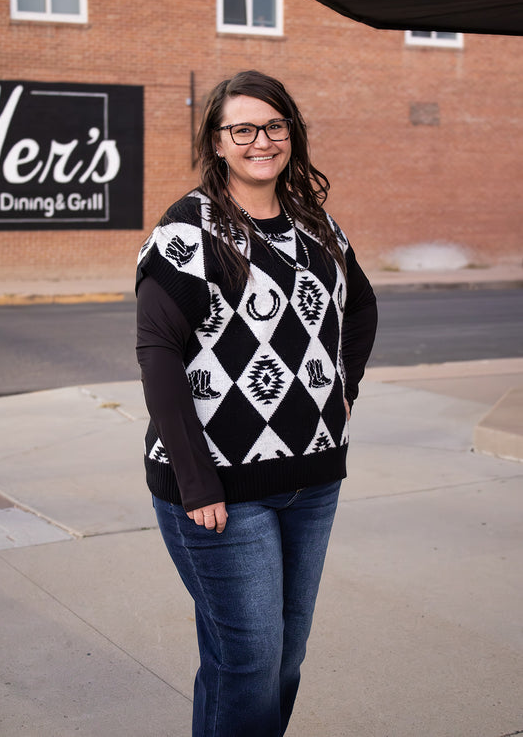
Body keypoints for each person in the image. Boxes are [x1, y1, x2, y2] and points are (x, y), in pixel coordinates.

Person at [136, 69, 377, 737]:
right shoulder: (190, 230)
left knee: (281, 657)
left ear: (291, 134)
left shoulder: (313, 223)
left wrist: (342, 389)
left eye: (273, 126)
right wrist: (195, 482)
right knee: (249, 659)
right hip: (220, 492)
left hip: (313, 479)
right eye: (241, 128)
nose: (260, 140)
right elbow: (157, 352)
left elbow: (359, 310)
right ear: (216, 141)